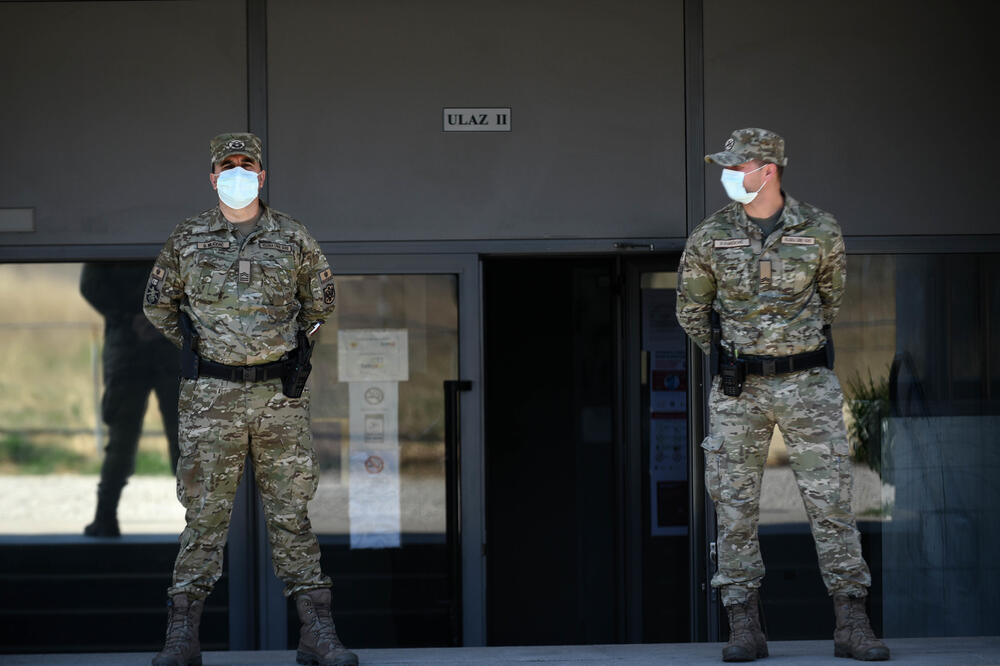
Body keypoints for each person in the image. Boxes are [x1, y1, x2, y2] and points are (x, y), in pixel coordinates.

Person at [676, 128, 890, 662]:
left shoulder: (819, 229)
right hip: (738, 389)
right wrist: (736, 357)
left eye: (736, 166)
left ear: (766, 169)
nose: (727, 176)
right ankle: (744, 625)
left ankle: (851, 622)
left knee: (832, 503)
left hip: (807, 386)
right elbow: (691, 312)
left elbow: (829, 301)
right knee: (735, 506)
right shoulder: (710, 235)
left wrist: (789, 351)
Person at [143, 132, 356, 666]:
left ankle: (318, 633)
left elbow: (320, 302)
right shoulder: (188, 237)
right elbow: (158, 306)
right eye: (227, 164)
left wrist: (288, 353)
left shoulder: (292, 235)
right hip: (210, 397)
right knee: (204, 516)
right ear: (213, 176)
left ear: (261, 175)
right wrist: (204, 347)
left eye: (247, 163)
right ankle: (182, 636)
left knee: (291, 513)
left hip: (278, 396)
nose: (238, 171)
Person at [80, 261, 181, 537]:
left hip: (127, 346)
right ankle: (200, 522)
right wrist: (160, 317)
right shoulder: (168, 234)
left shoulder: (109, 242)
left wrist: (130, 317)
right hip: (167, 345)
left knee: (122, 439)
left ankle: (105, 517)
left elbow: (91, 286)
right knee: (183, 438)